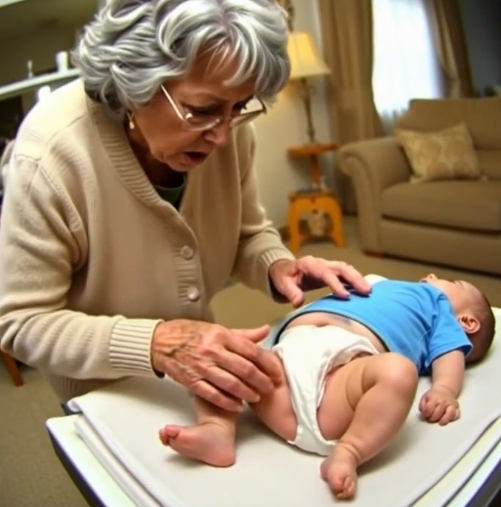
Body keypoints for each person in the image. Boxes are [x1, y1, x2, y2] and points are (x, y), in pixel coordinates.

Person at [0, 0, 372, 411]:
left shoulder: (227, 130)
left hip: (200, 372)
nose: (223, 136)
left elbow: (246, 233)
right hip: (103, 396)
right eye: (202, 111)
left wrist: (279, 266)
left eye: (239, 107)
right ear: (135, 82)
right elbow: (22, 323)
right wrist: (157, 344)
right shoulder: (49, 155)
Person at [158, 273, 496, 500]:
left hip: (342, 376)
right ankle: (217, 429)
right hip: (280, 368)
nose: (432, 276)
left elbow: (449, 354)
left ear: (467, 321)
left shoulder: (438, 309)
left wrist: (444, 389)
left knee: (398, 372)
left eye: (452, 282)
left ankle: (349, 451)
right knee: (218, 355)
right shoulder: (383, 283)